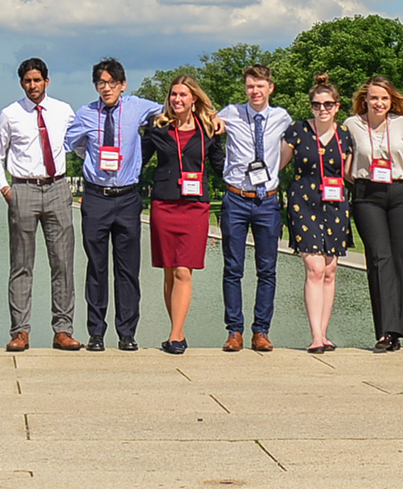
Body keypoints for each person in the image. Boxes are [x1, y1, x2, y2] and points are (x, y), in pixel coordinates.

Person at [0, 58, 81, 352]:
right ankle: (20, 331)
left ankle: (62, 330)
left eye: (37, 80)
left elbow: (81, 144)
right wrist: (4, 188)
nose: (32, 85)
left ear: (47, 82)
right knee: (21, 265)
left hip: (57, 187)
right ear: (21, 83)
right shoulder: (10, 114)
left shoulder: (64, 111)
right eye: (27, 81)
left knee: (62, 263)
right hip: (23, 189)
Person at [68, 58, 157, 352]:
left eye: (111, 83)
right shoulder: (86, 113)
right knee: (96, 267)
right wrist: (90, 160)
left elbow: (172, 112)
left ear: (123, 85)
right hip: (95, 198)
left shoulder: (139, 107)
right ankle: (95, 332)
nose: (106, 89)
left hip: (128, 197)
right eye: (101, 83)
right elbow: (71, 142)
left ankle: (127, 333)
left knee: (127, 269)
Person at [140, 75, 225, 355]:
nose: (177, 99)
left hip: (195, 206)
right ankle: (179, 329)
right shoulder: (157, 128)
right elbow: (138, 160)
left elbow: (220, 166)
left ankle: (175, 336)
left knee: (183, 270)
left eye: (183, 95)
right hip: (164, 204)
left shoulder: (209, 130)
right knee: (168, 271)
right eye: (174, 94)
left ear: (194, 99)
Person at [216, 64, 290, 353]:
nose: (255, 91)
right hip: (236, 197)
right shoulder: (230, 113)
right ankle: (234, 331)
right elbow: (209, 124)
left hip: (266, 201)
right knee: (233, 268)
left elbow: (289, 148)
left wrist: (272, 173)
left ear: (270, 88)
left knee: (267, 269)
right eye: (250, 86)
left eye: (260, 86)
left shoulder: (282, 117)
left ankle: (261, 331)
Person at [343, 77, 403, 353]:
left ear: (391, 100)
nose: (379, 103)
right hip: (367, 195)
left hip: (401, 192)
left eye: (384, 98)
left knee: (398, 256)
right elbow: (345, 165)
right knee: (378, 257)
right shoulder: (351, 125)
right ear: (365, 99)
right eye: (374, 98)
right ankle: (385, 330)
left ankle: (398, 330)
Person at [281, 74, 354, 353]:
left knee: (330, 269)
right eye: (316, 104)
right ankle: (314, 336)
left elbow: (347, 172)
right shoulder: (297, 130)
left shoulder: (345, 134)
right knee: (314, 267)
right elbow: (279, 164)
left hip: (335, 203)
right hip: (304, 201)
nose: (322, 109)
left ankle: (324, 333)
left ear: (337, 106)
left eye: (327, 104)